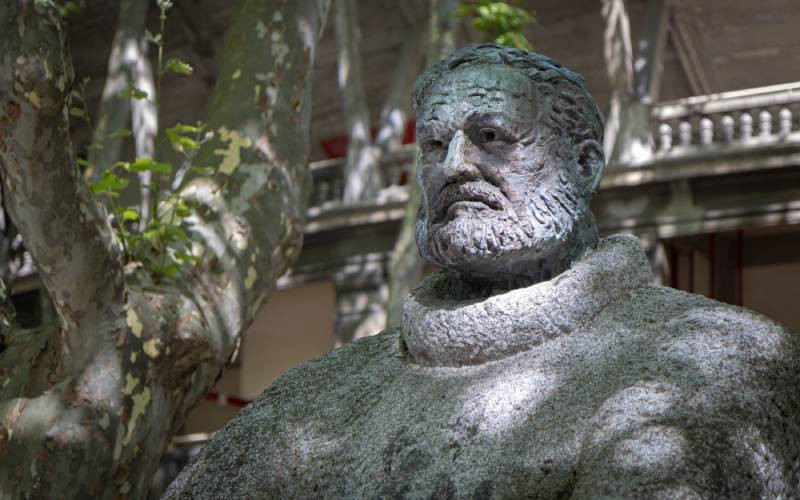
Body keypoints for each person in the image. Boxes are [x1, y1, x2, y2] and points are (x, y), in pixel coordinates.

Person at [165, 44, 800, 498]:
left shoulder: (723, 358)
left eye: (491, 136)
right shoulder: (309, 403)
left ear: (584, 165)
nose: (454, 167)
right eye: (435, 146)